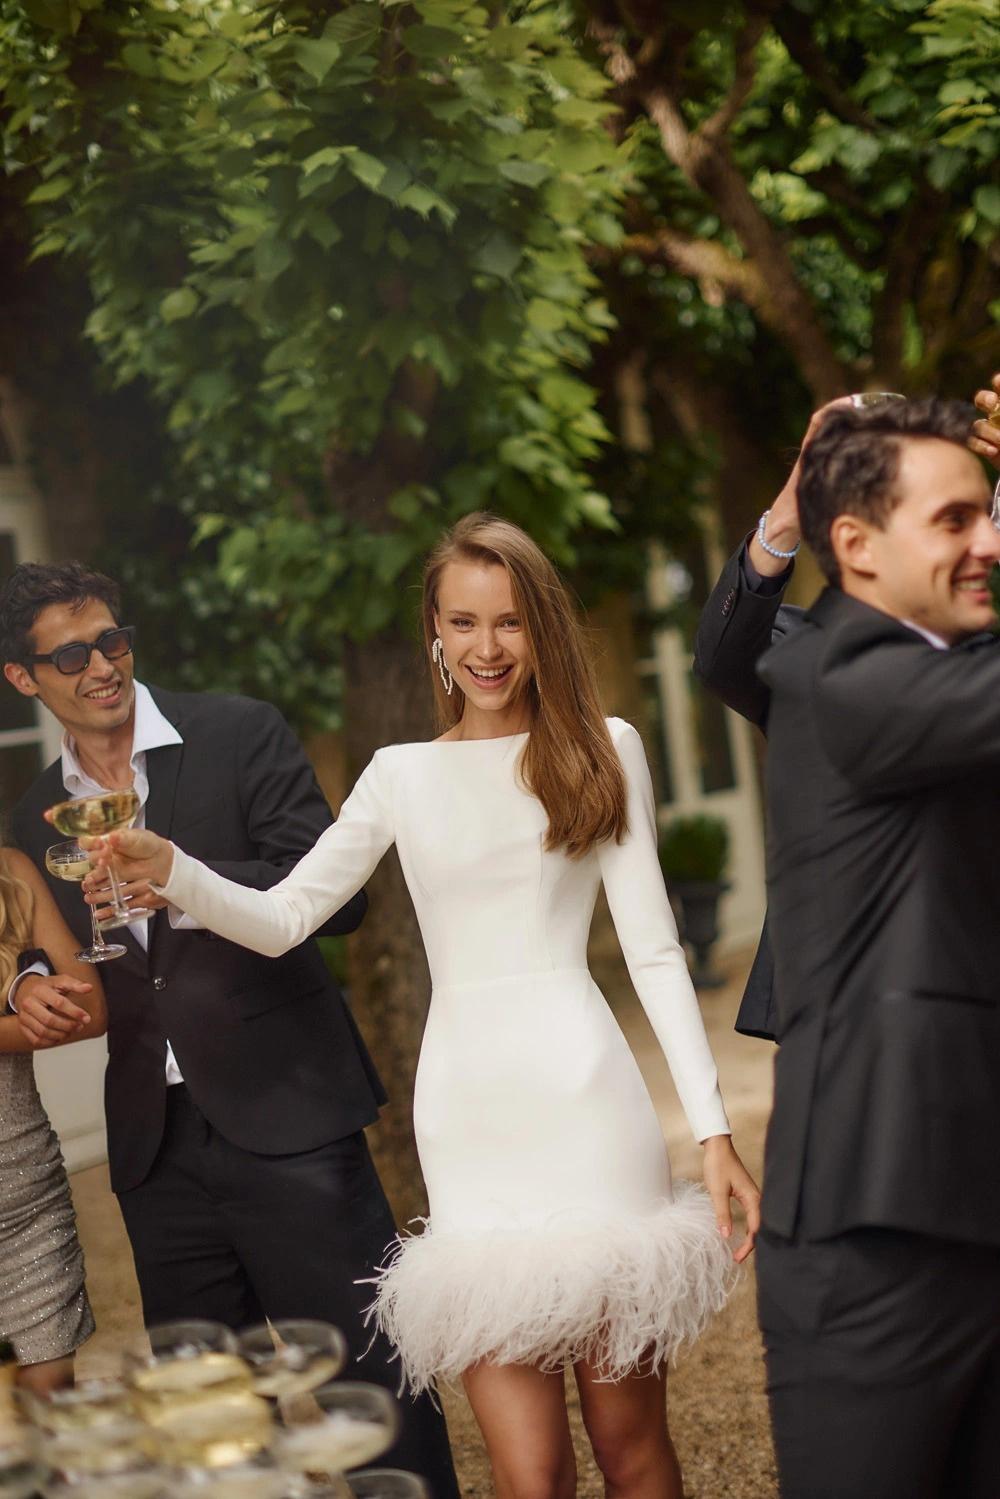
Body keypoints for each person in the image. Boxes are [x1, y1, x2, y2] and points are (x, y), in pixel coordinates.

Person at [85, 514, 760, 1499]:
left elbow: (656, 950)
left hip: (589, 1105)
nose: (488, 648)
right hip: (465, 1120)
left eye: (511, 621)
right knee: (527, 1470)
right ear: (435, 634)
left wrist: (711, 1129)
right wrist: (173, 870)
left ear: (542, 630)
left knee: (629, 1440)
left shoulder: (604, 747)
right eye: (463, 622)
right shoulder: (401, 774)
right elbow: (284, 918)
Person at [0, 562, 457, 1496]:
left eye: (113, 640)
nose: (102, 666)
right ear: (23, 678)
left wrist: (182, 874)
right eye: (72, 653)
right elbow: (54, 947)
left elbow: (339, 904)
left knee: (370, 1383)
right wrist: (33, 985)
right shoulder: (32, 808)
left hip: (290, 1111)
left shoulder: (239, 731)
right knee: (213, 1420)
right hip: (154, 1147)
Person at [720, 398, 998, 1498]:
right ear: (857, 545)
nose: (988, 540)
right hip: (871, 1237)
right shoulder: (843, 676)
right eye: (955, 519)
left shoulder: (942, 678)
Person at [693, 373, 1000, 1039]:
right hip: (842, 1026)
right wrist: (787, 510)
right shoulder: (808, 663)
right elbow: (721, 658)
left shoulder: (981, 652)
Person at [0, 845, 106, 1394]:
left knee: (50, 1431)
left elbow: (89, 1010)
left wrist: (31, 990)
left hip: (27, 1207)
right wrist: (17, 996)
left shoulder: (11, 872)